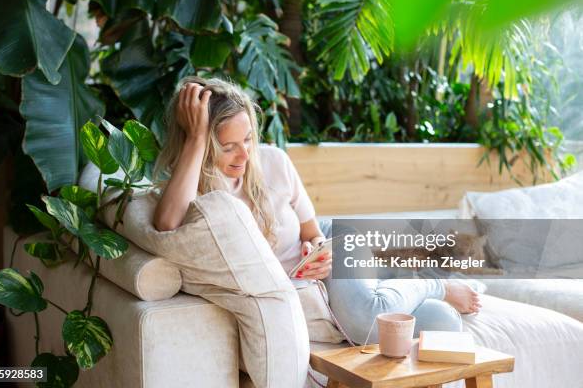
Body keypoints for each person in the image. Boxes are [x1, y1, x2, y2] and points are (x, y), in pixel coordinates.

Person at [152, 76, 481, 382]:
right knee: (443, 322)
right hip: (312, 287)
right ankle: (415, 286)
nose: (244, 154)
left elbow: (313, 231)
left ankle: (432, 281)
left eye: (248, 139)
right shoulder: (193, 186)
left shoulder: (274, 162)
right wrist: (195, 138)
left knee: (366, 321)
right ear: (202, 142)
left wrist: (317, 247)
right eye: (228, 146)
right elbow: (166, 224)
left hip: (336, 252)